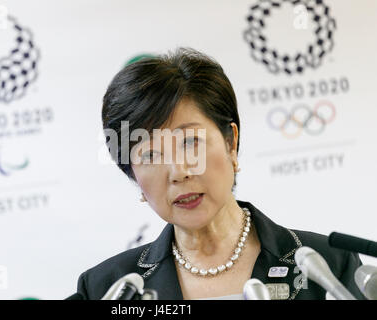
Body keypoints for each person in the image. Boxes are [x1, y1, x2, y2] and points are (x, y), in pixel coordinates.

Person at [67, 47, 365, 300]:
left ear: (230, 142)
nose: (179, 172)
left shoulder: (326, 266)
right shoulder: (107, 288)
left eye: (190, 143)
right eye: (151, 155)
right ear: (133, 175)